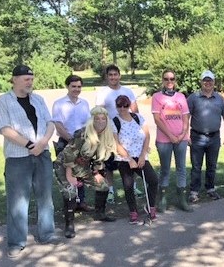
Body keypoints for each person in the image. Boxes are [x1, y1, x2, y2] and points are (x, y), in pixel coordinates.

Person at [0, 65, 59, 258]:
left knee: (45, 197)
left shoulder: (38, 99)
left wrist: (43, 142)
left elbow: (50, 123)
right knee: (17, 201)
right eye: (26, 79)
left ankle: (47, 234)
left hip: (43, 154)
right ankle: (16, 242)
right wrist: (31, 145)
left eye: (31, 79)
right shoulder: (4, 101)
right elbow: (5, 129)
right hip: (17, 157)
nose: (30, 82)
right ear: (14, 79)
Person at [54, 106, 118, 239]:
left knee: (103, 185)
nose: (100, 121)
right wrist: (69, 175)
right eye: (97, 119)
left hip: (82, 166)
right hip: (65, 166)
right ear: (92, 120)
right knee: (70, 192)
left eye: (103, 119)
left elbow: (98, 157)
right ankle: (69, 225)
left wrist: (96, 173)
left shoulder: (104, 136)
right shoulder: (82, 134)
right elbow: (68, 154)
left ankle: (100, 213)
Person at [95, 64, 141, 203]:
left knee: (130, 159)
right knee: (109, 164)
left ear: (119, 75)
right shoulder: (103, 92)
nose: (113, 77)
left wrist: (137, 130)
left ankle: (133, 186)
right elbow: (99, 113)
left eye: (115, 74)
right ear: (107, 77)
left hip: (127, 132)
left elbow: (135, 111)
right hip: (109, 133)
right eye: (110, 75)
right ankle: (110, 190)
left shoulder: (128, 91)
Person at [112, 95, 159, 224]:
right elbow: (116, 144)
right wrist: (129, 159)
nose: (122, 108)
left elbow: (147, 136)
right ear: (116, 106)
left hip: (140, 156)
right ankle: (133, 211)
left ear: (129, 106)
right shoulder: (114, 121)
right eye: (119, 106)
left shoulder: (138, 118)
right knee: (128, 186)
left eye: (125, 105)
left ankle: (150, 206)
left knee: (153, 180)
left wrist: (143, 155)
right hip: (124, 159)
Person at [151, 70, 193, 212]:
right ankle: (162, 198)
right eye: (166, 78)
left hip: (181, 139)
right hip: (164, 140)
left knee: (181, 168)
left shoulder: (181, 96)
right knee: (165, 169)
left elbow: (186, 116)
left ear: (175, 80)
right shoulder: (157, 97)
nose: (169, 81)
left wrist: (183, 134)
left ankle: (182, 198)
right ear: (162, 80)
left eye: (172, 78)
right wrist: (171, 136)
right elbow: (157, 119)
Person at [187, 70, 224, 203]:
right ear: (201, 82)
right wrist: (184, 134)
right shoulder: (193, 98)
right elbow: (186, 116)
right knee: (196, 166)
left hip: (214, 137)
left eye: (210, 80)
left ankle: (210, 189)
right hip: (197, 137)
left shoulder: (219, 99)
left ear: (214, 82)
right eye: (205, 80)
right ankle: (194, 191)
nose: (208, 83)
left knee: (212, 165)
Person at [51, 74, 92, 212]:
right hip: (65, 142)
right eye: (73, 86)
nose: (76, 89)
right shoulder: (59, 104)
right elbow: (58, 125)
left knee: (80, 173)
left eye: (79, 86)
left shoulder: (84, 103)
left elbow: (88, 124)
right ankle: (69, 204)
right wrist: (71, 140)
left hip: (82, 143)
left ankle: (81, 202)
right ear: (67, 86)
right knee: (66, 175)